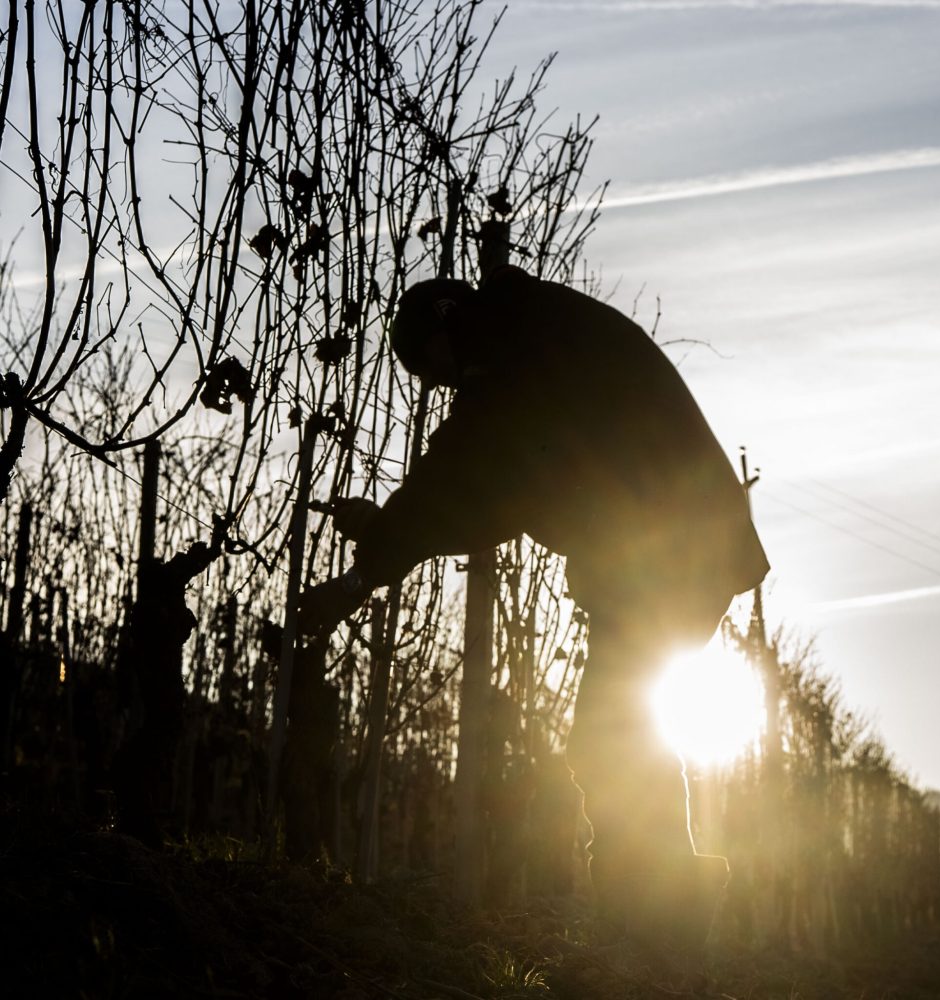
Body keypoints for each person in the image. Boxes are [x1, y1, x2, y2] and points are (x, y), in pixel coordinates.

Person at [299, 265, 769, 952]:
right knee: (623, 735)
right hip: (671, 556)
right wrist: (389, 533)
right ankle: (659, 919)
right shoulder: (533, 334)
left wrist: (359, 578)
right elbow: (480, 497)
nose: (441, 387)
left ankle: (654, 926)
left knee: (610, 738)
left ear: (448, 326)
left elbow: (469, 480)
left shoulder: (519, 358)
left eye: (433, 368)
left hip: (668, 559)